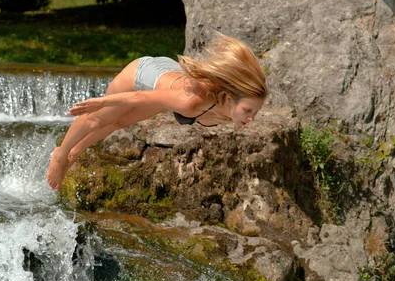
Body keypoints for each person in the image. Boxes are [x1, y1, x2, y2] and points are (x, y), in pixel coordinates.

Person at [46, 32, 268, 191]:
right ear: (229, 99)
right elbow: (139, 97)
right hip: (142, 74)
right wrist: (102, 103)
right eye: (248, 110)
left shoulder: (227, 109)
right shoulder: (190, 101)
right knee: (97, 120)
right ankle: (61, 154)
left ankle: (74, 154)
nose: (251, 118)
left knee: (119, 123)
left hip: (170, 74)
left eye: (255, 112)